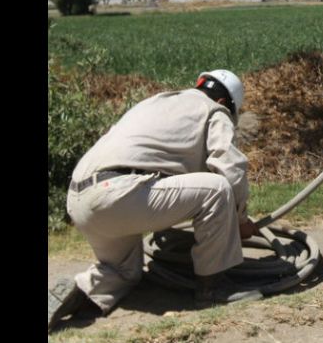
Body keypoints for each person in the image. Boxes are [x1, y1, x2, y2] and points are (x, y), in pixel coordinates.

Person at [48, 69, 258, 332]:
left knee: (124, 271)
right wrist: (239, 220)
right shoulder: (214, 110)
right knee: (217, 188)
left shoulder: (158, 102)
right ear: (225, 102)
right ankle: (213, 289)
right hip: (118, 194)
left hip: (80, 199)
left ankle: (80, 293)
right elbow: (230, 168)